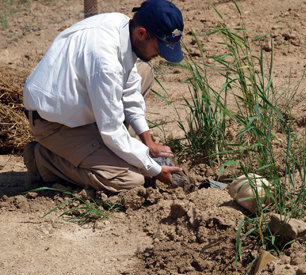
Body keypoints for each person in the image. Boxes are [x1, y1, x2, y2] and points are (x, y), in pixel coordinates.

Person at [22, 0, 184, 192]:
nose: (161, 55)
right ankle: (44, 161)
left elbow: (130, 90)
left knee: (144, 72)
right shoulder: (105, 62)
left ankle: (112, 153)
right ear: (142, 33)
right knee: (131, 179)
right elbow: (112, 131)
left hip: (82, 105)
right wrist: (154, 169)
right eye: (159, 49)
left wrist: (148, 143)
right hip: (55, 124)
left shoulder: (124, 27)